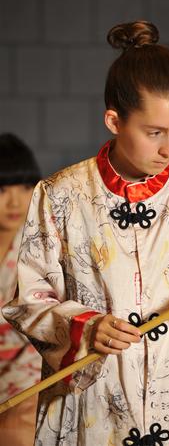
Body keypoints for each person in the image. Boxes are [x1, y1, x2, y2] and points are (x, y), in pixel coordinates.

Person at [3, 21, 169, 446]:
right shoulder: (60, 194)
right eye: (155, 132)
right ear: (114, 120)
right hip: (92, 402)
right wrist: (87, 328)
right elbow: (28, 301)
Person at [0, 133, 42, 445]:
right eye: (2, 189)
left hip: (28, 366)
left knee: (16, 429)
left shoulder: (40, 249)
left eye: (25, 188)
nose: (14, 202)